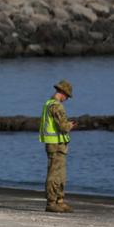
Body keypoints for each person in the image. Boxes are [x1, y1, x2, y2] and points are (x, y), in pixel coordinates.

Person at [39, 79, 77, 213]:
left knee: (60, 174)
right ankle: (51, 202)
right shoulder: (56, 106)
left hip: (56, 144)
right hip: (55, 145)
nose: (67, 99)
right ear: (63, 93)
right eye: (67, 96)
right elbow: (63, 127)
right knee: (54, 174)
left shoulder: (48, 103)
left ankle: (59, 201)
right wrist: (70, 125)